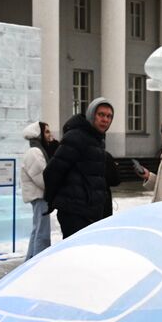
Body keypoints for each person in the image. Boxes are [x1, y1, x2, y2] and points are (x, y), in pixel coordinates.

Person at [43, 98, 115, 238]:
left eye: (109, 116)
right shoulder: (76, 137)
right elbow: (53, 171)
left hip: (90, 212)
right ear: (91, 114)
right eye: (101, 114)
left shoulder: (97, 139)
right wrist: (52, 200)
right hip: (75, 212)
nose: (105, 119)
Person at [20, 121, 57, 258]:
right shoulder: (35, 152)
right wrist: (53, 188)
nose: (50, 135)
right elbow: (42, 178)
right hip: (39, 197)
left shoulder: (37, 150)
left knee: (37, 230)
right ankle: (38, 262)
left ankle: (30, 262)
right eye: (46, 132)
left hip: (39, 196)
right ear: (39, 134)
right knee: (42, 233)